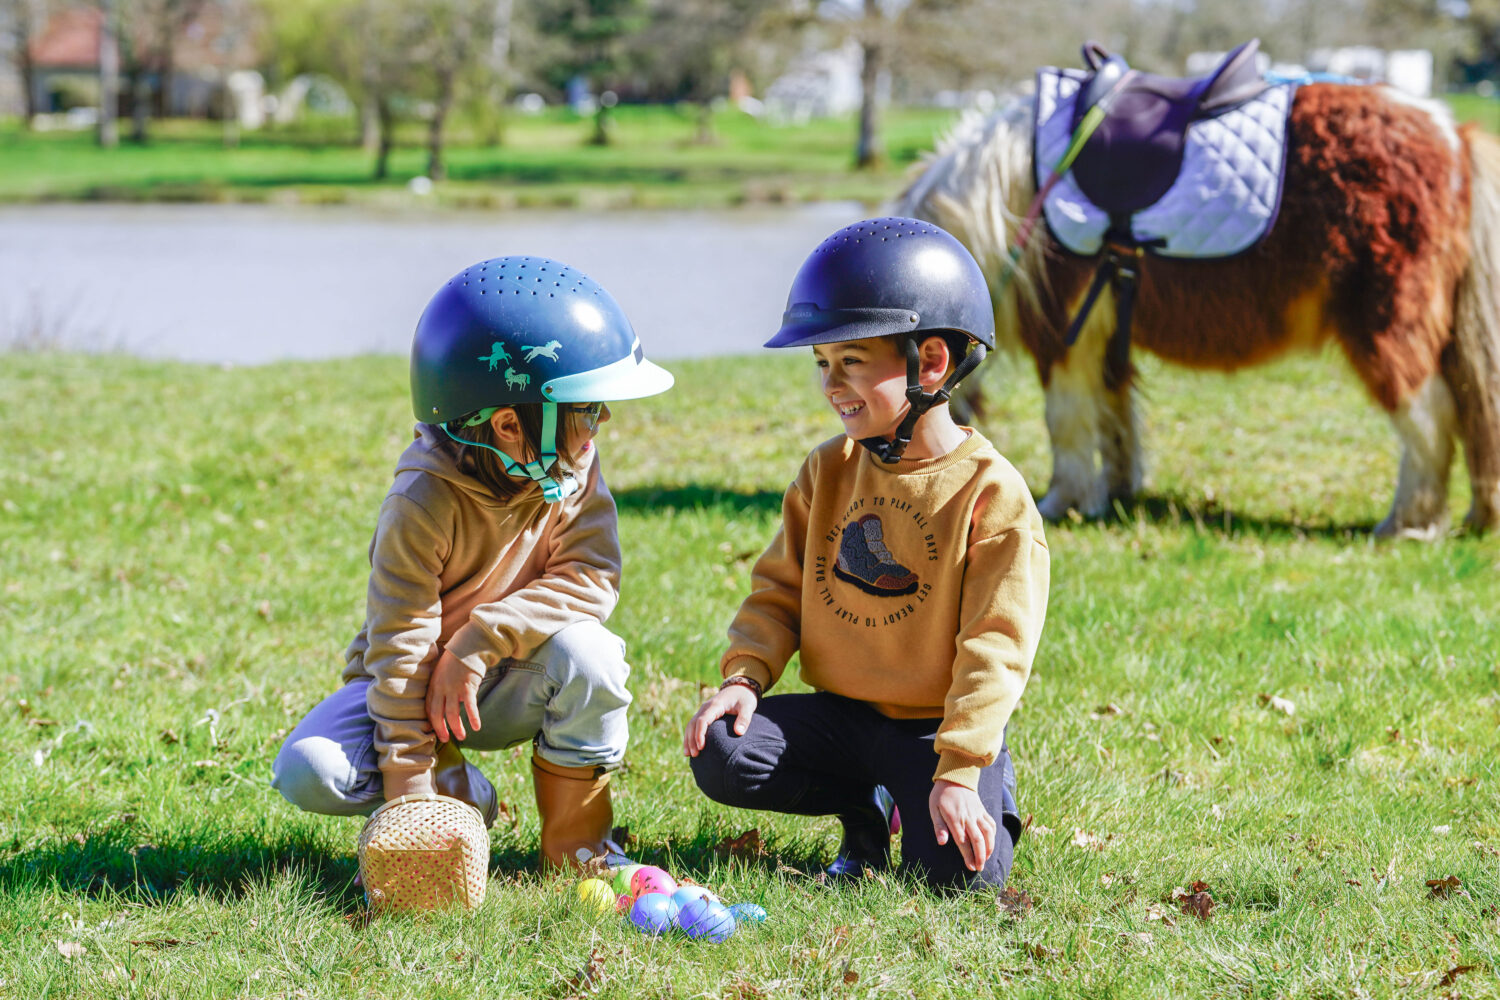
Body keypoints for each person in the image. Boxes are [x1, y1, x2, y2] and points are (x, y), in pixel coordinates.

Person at [683, 218, 1049, 889]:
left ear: (931, 363)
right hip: (843, 717)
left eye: (851, 362)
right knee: (721, 749)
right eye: (822, 364)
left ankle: (986, 790)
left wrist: (962, 767)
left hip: (933, 731)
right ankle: (865, 810)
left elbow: (995, 646)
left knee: (960, 879)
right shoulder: (828, 470)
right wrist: (744, 678)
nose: (831, 384)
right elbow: (778, 591)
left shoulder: (991, 492)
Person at [274, 255, 673, 870]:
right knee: (310, 771)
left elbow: (590, 576)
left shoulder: (568, 464)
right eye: (587, 407)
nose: (604, 420)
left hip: (513, 674)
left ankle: (579, 844)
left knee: (592, 656)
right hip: (419, 691)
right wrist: (411, 794)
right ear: (511, 423)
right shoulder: (421, 501)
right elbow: (401, 645)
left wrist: (480, 641)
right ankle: (457, 797)